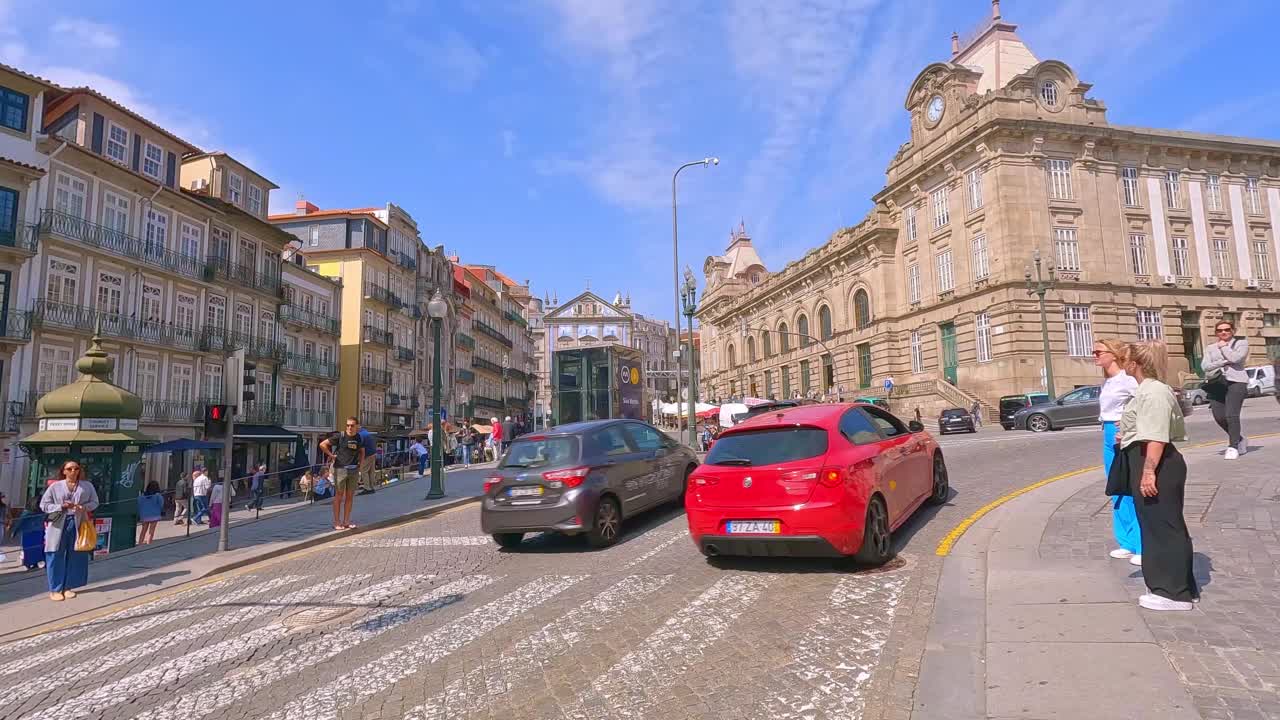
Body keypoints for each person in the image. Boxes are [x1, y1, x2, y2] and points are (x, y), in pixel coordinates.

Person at [1118, 341, 1197, 611]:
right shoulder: (1148, 391)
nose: (1121, 361)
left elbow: (1156, 436)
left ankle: (1173, 592)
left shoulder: (1154, 392)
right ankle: (1182, 586)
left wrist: (1148, 472)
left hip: (1156, 463)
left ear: (1135, 363)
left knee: (1162, 527)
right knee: (1161, 525)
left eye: (1124, 358)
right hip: (1148, 458)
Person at [1095, 338, 1141, 565]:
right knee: (1116, 487)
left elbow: (1143, 401)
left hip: (1121, 432)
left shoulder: (1127, 379)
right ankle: (1126, 542)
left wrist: (1128, 425)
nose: (1096, 356)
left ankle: (1142, 544)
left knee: (1132, 487)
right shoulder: (1108, 381)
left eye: (1099, 352)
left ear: (1113, 354)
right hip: (1107, 432)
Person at [39, 460, 99, 602]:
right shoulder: (55, 487)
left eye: (76, 468)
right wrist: (60, 506)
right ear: (64, 471)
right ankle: (55, 589)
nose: (73, 471)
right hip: (59, 524)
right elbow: (44, 505)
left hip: (79, 523)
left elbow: (95, 502)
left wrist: (83, 507)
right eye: (69, 469)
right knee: (55, 554)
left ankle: (68, 587)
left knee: (76, 554)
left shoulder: (87, 486)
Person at [1201, 320, 1249, 459]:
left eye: (1227, 329)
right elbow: (1205, 366)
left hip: (1237, 382)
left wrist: (1224, 348)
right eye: (1220, 330)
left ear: (1232, 330)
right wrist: (1223, 362)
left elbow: (1236, 358)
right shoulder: (1210, 347)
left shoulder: (1241, 343)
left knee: (1231, 415)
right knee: (1219, 416)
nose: (1223, 332)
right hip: (1217, 383)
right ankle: (1239, 439)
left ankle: (1233, 446)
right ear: (1216, 333)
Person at [320, 416, 367, 530]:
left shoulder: (359, 438)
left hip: (353, 470)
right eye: (348, 425)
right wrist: (331, 455)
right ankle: (337, 522)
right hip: (340, 469)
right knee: (339, 496)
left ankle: (346, 521)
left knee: (350, 496)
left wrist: (361, 464)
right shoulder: (340, 436)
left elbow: (362, 451)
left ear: (357, 426)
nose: (349, 427)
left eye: (352, 425)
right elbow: (322, 444)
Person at [10, 497, 47, 571]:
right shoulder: (42, 512)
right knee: (38, 548)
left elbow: (20, 522)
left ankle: (29, 563)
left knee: (29, 549)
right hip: (38, 532)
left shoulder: (27, 512)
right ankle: (37, 562)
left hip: (28, 532)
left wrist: (14, 532)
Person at [136, 481, 164, 545]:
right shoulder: (158, 495)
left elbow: (139, 503)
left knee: (143, 530)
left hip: (144, 515)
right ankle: (148, 543)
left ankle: (140, 543)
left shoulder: (143, 495)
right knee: (151, 531)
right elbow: (161, 504)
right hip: (155, 514)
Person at [357, 422, 378, 495]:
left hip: (368, 454)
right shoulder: (366, 432)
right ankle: (372, 487)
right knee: (371, 471)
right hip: (373, 453)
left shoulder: (360, 435)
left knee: (363, 470)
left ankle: (367, 488)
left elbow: (361, 448)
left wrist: (361, 460)